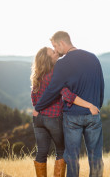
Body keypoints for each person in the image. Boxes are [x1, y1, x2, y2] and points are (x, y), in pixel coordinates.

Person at [35, 31, 104, 177]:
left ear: (62, 43)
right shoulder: (93, 57)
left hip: (72, 117)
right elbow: (101, 85)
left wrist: (38, 107)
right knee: (96, 157)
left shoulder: (62, 63)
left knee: (72, 158)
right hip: (93, 113)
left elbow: (53, 89)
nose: (55, 50)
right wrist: (97, 106)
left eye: (55, 46)